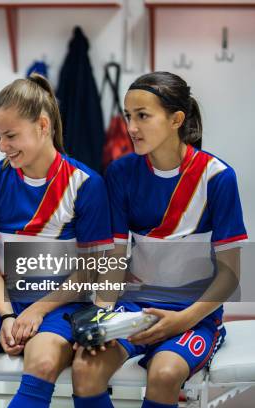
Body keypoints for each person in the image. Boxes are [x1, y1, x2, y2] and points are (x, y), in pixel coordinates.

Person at [70, 71, 248, 408]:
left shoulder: (218, 178)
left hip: (192, 315)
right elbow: (114, 260)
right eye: (128, 116)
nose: (131, 127)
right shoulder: (121, 173)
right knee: (85, 368)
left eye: (143, 116)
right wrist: (101, 315)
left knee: (164, 375)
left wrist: (182, 320)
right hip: (135, 308)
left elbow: (230, 275)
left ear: (176, 120)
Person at [0, 74, 113, 408]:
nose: (2, 146)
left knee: (42, 361)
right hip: (2, 299)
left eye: (10, 136)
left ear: (42, 125)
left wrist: (37, 310)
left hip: (63, 303)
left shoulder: (85, 185)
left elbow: (92, 270)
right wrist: (8, 315)